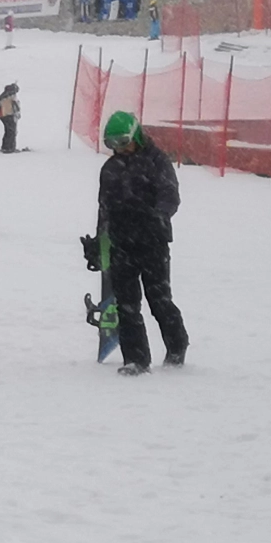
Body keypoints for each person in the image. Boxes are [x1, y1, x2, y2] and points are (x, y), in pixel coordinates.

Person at [96, 111, 187, 375]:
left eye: (124, 141)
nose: (120, 149)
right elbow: (105, 209)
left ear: (136, 134)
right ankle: (136, 359)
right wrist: (98, 242)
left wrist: (158, 216)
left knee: (159, 299)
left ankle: (176, 345)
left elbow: (170, 194)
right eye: (113, 144)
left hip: (152, 242)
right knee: (126, 304)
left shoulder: (156, 162)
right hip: (122, 243)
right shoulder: (110, 169)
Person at [0, 83, 22, 153]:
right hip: (9, 114)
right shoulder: (12, 97)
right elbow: (16, 107)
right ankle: (11, 147)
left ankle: (5, 146)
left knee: (8, 131)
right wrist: (17, 114)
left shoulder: (3, 97)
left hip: (3, 115)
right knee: (12, 132)